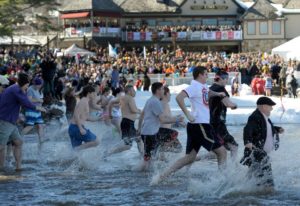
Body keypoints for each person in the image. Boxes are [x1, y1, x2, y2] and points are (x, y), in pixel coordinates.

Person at [152, 66, 227, 184]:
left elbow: (207, 92)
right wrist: (187, 114)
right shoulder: (193, 87)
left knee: (190, 157)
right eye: (206, 74)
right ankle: (223, 180)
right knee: (222, 152)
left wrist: (217, 94)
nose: (207, 76)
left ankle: (161, 176)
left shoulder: (203, 87)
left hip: (197, 126)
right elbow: (179, 97)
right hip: (200, 125)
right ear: (200, 75)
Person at [0, 73, 46, 170]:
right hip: (5, 121)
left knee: (18, 142)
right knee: (1, 147)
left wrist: (18, 116)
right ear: (23, 84)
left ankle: (18, 168)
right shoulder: (17, 90)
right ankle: (2, 170)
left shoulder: (14, 88)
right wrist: (39, 108)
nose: (27, 87)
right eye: (27, 85)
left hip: (11, 122)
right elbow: (27, 103)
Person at [137, 82, 184, 171]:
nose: (163, 90)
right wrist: (177, 120)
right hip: (149, 133)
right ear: (158, 90)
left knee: (150, 158)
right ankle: (137, 173)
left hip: (149, 132)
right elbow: (162, 119)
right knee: (148, 159)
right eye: (162, 89)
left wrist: (139, 128)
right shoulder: (155, 102)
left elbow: (144, 115)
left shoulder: (151, 100)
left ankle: (141, 173)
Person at [240, 97, 284, 190]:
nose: (272, 109)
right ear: (264, 106)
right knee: (267, 179)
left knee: (255, 177)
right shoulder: (255, 116)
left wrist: (276, 129)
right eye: (270, 106)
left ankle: (245, 191)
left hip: (259, 153)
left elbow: (263, 128)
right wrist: (247, 141)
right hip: (256, 152)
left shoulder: (263, 116)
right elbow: (248, 129)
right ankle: (268, 193)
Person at [209, 71, 238, 160]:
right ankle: (233, 169)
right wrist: (234, 105)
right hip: (217, 124)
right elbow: (228, 103)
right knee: (234, 146)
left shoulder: (211, 88)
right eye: (226, 79)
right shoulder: (221, 89)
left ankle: (190, 160)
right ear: (221, 78)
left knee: (217, 152)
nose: (226, 81)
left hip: (211, 123)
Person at [107, 85, 142, 155]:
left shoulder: (121, 97)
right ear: (129, 91)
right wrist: (141, 112)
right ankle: (110, 153)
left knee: (131, 143)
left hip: (124, 122)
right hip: (129, 123)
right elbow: (133, 110)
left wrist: (110, 114)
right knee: (133, 142)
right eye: (133, 90)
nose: (135, 92)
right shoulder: (130, 98)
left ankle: (110, 153)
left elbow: (110, 103)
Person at [68, 85, 100, 150]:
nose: (95, 95)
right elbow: (76, 115)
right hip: (76, 128)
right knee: (96, 141)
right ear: (89, 93)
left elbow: (87, 118)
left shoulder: (85, 101)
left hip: (73, 128)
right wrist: (81, 129)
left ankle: (74, 151)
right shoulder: (84, 101)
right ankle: (77, 149)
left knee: (76, 155)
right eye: (93, 93)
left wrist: (99, 118)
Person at [158, 86, 182, 154]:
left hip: (162, 132)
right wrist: (177, 120)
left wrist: (176, 118)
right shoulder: (164, 104)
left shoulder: (161, 103)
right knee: (178, 149)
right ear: (166, 94)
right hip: (164, 132)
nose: (170, 95)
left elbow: (166, 117)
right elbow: (163, 119)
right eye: (169, 93)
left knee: (177, 149)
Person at [22, 77, 45, 144]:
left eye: (41, 85)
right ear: (35, 84)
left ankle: (41, 140)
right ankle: (19, 137)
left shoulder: (37, 89)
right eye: (39, 85)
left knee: (40, 125)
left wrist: (41, 103)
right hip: (31, 110)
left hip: (38, 110)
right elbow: (29, 100)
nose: (40, 86)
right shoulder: (30, 89)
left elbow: (38, 98)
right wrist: (38, 100)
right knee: (30, 126)